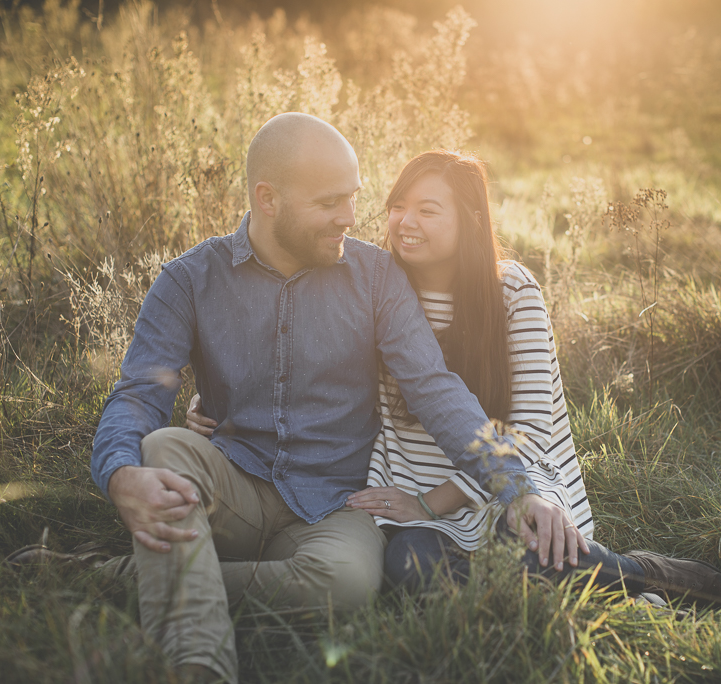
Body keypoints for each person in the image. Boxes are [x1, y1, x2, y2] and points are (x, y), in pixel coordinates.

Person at [89, 114, 586, 684]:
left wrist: (515, 487)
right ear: (267, 199)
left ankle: (135, 573)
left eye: (352, 198)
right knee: (163, 445)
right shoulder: (188, 280)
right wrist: (120, 474)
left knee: (349, 585)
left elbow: (436, 389)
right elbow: (137, 397)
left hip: (337, 501)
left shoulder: (375, 276)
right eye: (330, 203)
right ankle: (196, 666)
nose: (350, 218)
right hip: (233, 480)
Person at [187, 150, 721, 609]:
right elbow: (306, 364)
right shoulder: (373, 283)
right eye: (398, 206)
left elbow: (526, 429)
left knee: (527, 548)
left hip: (509, 478)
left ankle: (661, 581)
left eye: (428, 210)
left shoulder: (512, 292)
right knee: (409, 573)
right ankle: (551, 603)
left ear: (468, 221)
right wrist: (220, 402)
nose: (406, 222)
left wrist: (436, 501)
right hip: (408, 483)